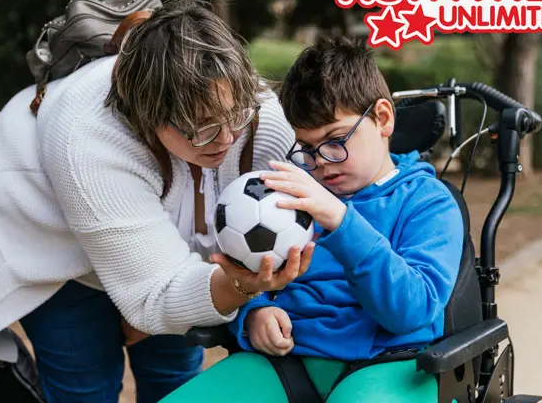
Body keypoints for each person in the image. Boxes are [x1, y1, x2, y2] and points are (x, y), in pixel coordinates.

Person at [0, 0, 314, 403]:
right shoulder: (89, 139)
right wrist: (223, 291)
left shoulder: (258, 114)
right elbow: (153, 295)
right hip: (49, 245)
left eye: (236, 116)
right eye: (201, 128)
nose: (226, 138)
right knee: (84, 382)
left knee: (175, 376)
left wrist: (175, 306)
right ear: (145, 113)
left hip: (162, 241)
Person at [161, 37, 465, 403]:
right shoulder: (284, 197)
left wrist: (340, 219)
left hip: (390, 362)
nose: (320, 160)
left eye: (335, 139)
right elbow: (254, 279)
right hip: (287, 361)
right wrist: (254, 315)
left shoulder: (428, 202)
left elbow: (410, 313)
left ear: (382, 118)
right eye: (305, 147)